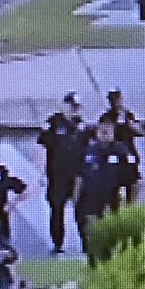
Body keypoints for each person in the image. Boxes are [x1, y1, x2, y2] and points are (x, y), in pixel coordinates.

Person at [35, 94, 87, 253]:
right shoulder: (53, 123)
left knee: (82, 210)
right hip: (57, 175)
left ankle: (86, 243)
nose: (74, 110)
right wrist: (41, 172)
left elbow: (86, 150)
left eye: (77, 107)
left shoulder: (81, 125)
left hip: (76, 175)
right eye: (72, 106)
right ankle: (58, 243)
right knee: (57, 209)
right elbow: (41, 147)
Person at [75, 117, 139, 242]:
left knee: (111, 234)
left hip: (113, 200)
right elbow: (80, 176)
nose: (103, 135)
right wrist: (76, 198)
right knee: (89, 232)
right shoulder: (90, 151)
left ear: (113, 133)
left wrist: (131, 204)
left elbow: (135, 181)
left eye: (106, 132)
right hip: (91, 200)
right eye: (100, 131)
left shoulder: (122, 152)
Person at [101, 90, 145, 205]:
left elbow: (140, 132)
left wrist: (127, 123)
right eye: (112, 99)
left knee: (133, 190)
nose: (115, 102)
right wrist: (112, 127)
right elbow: (102, 137)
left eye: (117, 99)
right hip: (113, 161)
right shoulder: (106, 117)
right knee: (113, 196)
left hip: (129, 158)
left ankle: (131, 214)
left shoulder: (128, 115)